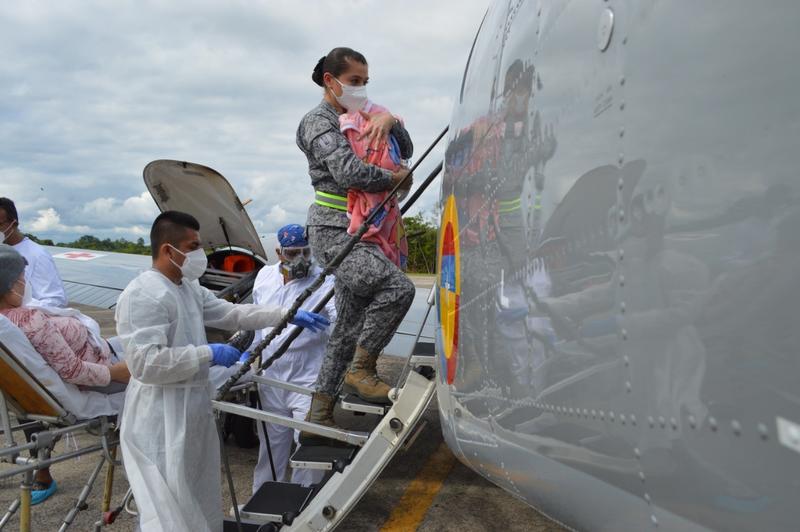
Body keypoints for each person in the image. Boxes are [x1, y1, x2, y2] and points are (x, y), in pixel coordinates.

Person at [114, 211, 329, 532]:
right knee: (166, 508)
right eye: (194, 245)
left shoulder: (186, 287)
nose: (200, 253)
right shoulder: (144, 294)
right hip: (159, 416)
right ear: (168, 250)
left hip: (191, 407)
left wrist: (286, 314)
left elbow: (232, 314)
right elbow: (145, 364)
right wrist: (208, 353)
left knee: (197, 498)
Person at [296, 47, 416, 444]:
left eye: (365, 82)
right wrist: (395, 178)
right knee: (398, 288)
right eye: (354, 82)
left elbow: (407, 147)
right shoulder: (317, 122)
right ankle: (360, 371)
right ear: (331, 81)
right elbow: (347, 170)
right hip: (333, 230)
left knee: (346, 326)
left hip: (362, 228)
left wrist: (390, 120)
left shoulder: (367, 115)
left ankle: (320, 412)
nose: (361, 90)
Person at [0, 244, 130, 505]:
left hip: (102, 352)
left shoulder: (10, 320)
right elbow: (73, 371)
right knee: (177, 363)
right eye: (22, 279)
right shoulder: (30, 321)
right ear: (11, 285)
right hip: (104, 374)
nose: (26, 284)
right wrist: (119, 372)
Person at [249, 224, 336, 491]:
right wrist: (251, 353)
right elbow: (255, 318)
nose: (300, 260)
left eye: (305, 252)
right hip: (272, 372)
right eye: (292, 253)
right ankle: (263, 497)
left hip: (308, 374)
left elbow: (338, 320)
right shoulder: (264, 277)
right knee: (271, 443)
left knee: (308, 442)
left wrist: (330, 324)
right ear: (279, 252)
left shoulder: (325, 280)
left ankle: (303, 502)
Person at [0, 198, 67, 307]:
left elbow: (55, 300)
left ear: (14, 223)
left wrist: (19, 312)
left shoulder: (37, 255)